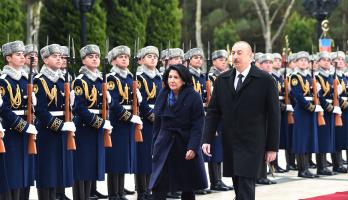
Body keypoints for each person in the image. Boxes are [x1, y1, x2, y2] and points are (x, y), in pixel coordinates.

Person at [202, 41, 280, 200]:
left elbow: (274, 116)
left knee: (245, 184)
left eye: (239, 53)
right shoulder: (222, 80)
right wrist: (207, 139)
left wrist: (272, 147)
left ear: (250, 56)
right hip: (231, 141)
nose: (235, 56)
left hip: (253, 142)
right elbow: (213, 112)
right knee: (238, 182)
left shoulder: (265, 80)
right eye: (233, 53)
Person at [149, 64, 208, 200]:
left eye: (176, 77)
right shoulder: (163, 95)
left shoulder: (193, 96)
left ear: (183, 80)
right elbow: (157, 124)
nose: (172, 80)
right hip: (164, 144)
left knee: (188, 186)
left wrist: (193, 147)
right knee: (159, 184)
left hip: (185, 143)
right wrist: (155, 147)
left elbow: (198, 125)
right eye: (170, 77)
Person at [34, 44, 75, 200]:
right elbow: (40, 111)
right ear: (45, 60)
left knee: (58, 170)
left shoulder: (61, 79)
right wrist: (60, 125)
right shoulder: (40, 81)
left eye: (60, 56)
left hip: (62, 130)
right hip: (47, 131)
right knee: (47, 172)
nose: (59, 58)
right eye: (54, 56)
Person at [72, 44, 113, 199]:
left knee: (90, 167)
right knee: (82, 166)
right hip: (85, 128)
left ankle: (87, 196)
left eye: (97, 56)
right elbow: (80, 108)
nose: (95, 59)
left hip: (97, 127)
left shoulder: (100, 80)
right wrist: (99, 123)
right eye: (91, 57)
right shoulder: (80, 81)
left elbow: (107, 105)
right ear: (83, 61)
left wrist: (110, 102)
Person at [0, 41, 37, 200]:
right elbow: (5, 110)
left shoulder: (25, 79)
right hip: (11, 134)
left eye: (23, 54)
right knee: (12, 175)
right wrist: (23, 126)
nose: (23, 57)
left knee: (25, 175)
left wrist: (32, 121)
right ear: (8, 58)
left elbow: (29, 109)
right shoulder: (3, 80)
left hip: (26, 134)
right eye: (18, 54)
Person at [106, 45, 142, 200]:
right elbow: (113, 103)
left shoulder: (129, 77)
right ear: (113, 61)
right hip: (118, 121)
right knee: (115, 159)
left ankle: (120, 192)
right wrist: (128, 116)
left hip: (129, 122)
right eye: (121, 57)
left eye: (126, 57)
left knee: (123, 158)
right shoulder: (111, 78)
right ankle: (114, 193)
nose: (124, 59)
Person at [136, 46, 162, 200]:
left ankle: (151, 188)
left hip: (159, 118)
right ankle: (142, 190)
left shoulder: (159, 78)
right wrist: (151, 115)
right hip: (145, 120)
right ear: (142, 59)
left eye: (155, 56)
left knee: (155, 155)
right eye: (149, 56)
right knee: (143, 155)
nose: (153, 59)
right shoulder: (139, 78)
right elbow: (141, 101)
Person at [204, 49, 232, 191]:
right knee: (213, 149)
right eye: (220, 59)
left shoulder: (225, 76)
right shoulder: (209, 77)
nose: (224, 62)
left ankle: (219, 180)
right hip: (214, 115)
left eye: (225, 59)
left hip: (224, 116)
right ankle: (215, 181)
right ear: (214, 61)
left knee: (219, 149)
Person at [290, 51, 320, 178]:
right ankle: (302, 169)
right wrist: (310, 106)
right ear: (296, 62)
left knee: (308, 139)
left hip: (311, 111)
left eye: (306, 60)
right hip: (302, 110)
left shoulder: (309, 77)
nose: (303, 62)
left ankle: (307, 167)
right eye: (300, 60)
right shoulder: (295, 77)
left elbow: (312, 94)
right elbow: (297, 95)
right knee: (301, 140)